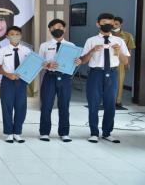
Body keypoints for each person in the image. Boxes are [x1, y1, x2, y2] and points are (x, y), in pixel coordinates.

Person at [80, 13, 130, 143]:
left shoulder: (119, 41)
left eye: (110, 22)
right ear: (98, 24)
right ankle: (94, 133)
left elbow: (125, 62)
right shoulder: (91, 40)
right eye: (104, 22)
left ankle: (107, 133)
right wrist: (92, 51)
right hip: (95, 74)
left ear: (114, 24)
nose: (107, 25)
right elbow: (83, 61)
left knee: (110, 104)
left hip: (112, 74)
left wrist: (119, 52)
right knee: (94, 104)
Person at [38, 19, 81, 142]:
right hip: (49, 77)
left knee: (64, 105)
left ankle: (64, 132)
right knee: (46, 105)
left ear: (64, 29)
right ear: (50, 30)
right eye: (54, 27)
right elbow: (40, 62)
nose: (57, 29)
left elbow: (75, 62)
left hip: (65, 78)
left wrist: (78, 62)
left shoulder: (71, 46)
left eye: (60, 27)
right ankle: (44, 132)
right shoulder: (44, 45)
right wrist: (47, 65)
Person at [0, 26, 31, 143]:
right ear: (7, 36)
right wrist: (7, 74)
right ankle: (9, 133)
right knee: (7, 107)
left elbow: (33, 65)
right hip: (7, 81)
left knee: (21, 107)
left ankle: (17, 133)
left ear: (21, 36)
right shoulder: (2, 50)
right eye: (12, 34)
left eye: (17, 34)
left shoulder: (27, 51)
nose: (15, 36)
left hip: (22, 81)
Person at [112, 16, 136, 109]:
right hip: (109, 61)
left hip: (121, 62)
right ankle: (108, 99)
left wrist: (127, 62)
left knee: (120, 81)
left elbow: (130, 50)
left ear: (121, 24)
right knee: (107, 81)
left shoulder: (127, 35)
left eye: (116, 24)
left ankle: (118, 101)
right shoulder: (107, 34)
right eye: (113, 24)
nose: (114, 25)